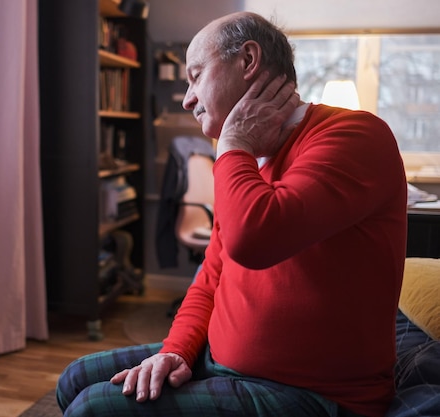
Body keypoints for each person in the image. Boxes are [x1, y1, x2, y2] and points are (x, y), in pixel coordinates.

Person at [56, 11, 407, 417]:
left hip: (313, 392)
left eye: (196, 75)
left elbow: (252, 240)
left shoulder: (355, 136)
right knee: (74, 377)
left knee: (91, 409)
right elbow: (212, 272)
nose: (188, 98)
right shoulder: (248, 158)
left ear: (248, 61)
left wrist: (234, 143)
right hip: (219, 358)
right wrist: (177, 351)